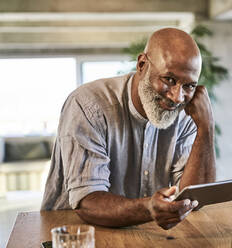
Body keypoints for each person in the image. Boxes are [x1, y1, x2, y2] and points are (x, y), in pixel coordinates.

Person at [41, 28, 216, 230]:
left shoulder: (184, 112)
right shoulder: (88, 105)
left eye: (189, 86)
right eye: (169, 79)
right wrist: (149, 208)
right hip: (74, 232)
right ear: (142, 65)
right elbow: (87, 201)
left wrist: (206, 127)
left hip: (141, 232)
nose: (177, 97)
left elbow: (193, 198)